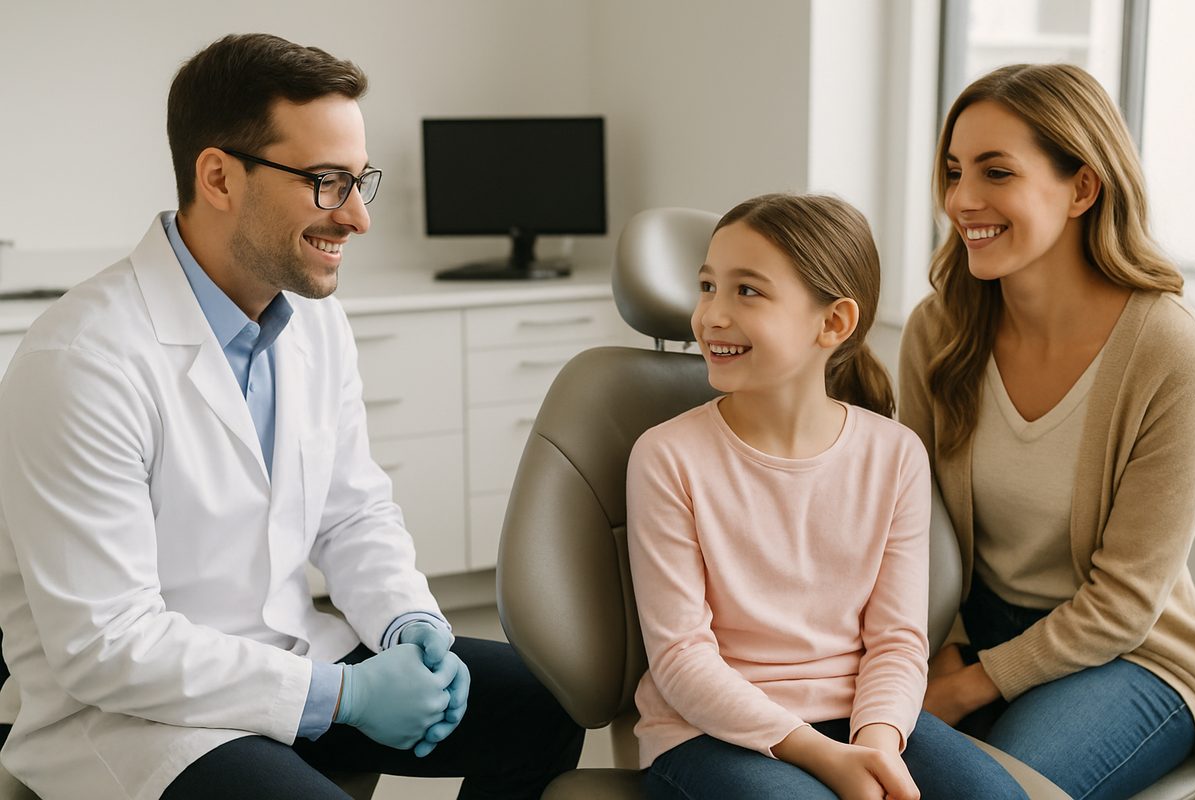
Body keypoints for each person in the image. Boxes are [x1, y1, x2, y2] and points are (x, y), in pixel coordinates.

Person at [0, 33, 582, 800]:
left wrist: (412, 626)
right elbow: (106, 647)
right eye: (325, 182)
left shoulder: (310, 320)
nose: (356, 219)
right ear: (218, 176)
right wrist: (347, 697)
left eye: (357, 181)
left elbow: (353, 512)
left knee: (547, 707)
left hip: (290, 652)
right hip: (133, 717)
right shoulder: (82, 359)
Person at [627, 192, 1028, 799]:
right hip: (710, 733)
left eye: (747, 291)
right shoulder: (667, 456)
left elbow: (897, 641)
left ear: (834, 322)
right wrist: (821, 756)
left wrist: (877, 742)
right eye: (707, 286)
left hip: (865, 717)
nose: (711, 315)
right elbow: (681, 658)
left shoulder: (894, 455)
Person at [899, 62, 1195, 799]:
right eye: (953, 171)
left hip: (1128, 656)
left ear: (1082, 188)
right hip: (970, 632)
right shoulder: (937, 330)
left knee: (985, 791)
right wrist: (937, 654)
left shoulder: (1169, 350)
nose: (962, 200)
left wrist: (965, 690)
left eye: (996, 172)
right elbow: (906, 527)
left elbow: (1125, 603)